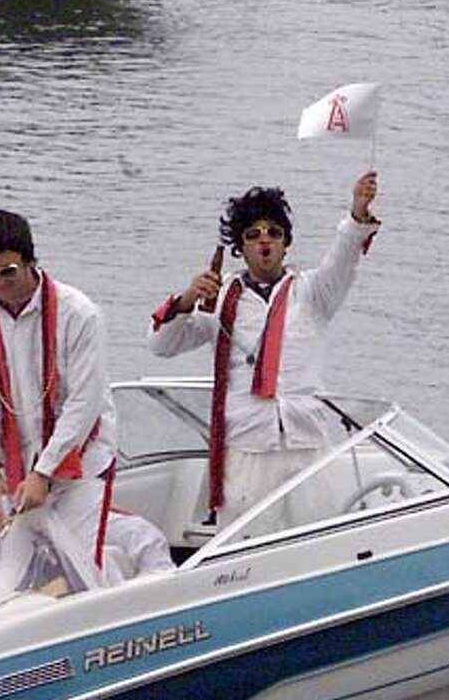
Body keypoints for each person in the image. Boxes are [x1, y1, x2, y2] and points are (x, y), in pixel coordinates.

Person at [146, 171, 381, 536]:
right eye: (253, 235)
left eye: (274, 232)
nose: (264, 241)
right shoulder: (218, 297)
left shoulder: (314, 293)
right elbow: (160, 345)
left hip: (307, 443)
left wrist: (357, 212)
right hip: (247, 448)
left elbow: (344, 257)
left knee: (317, 544)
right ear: (240, 247)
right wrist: (186, 301)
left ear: (286, 243)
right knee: (245, 546)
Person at [0, 304, 173, 587]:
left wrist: (74, 502)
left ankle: (168, 604)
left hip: (35, 512)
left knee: (143, 536)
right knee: (105, 562)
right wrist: (42, 513)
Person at [0, 209, 128, 590]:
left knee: (78, 572)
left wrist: (45, 471)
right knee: (7, 575)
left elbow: (84, 404)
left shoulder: (79, 313)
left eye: (8, 272)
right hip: (22, 467)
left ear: (30, 262)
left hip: (80, 464)